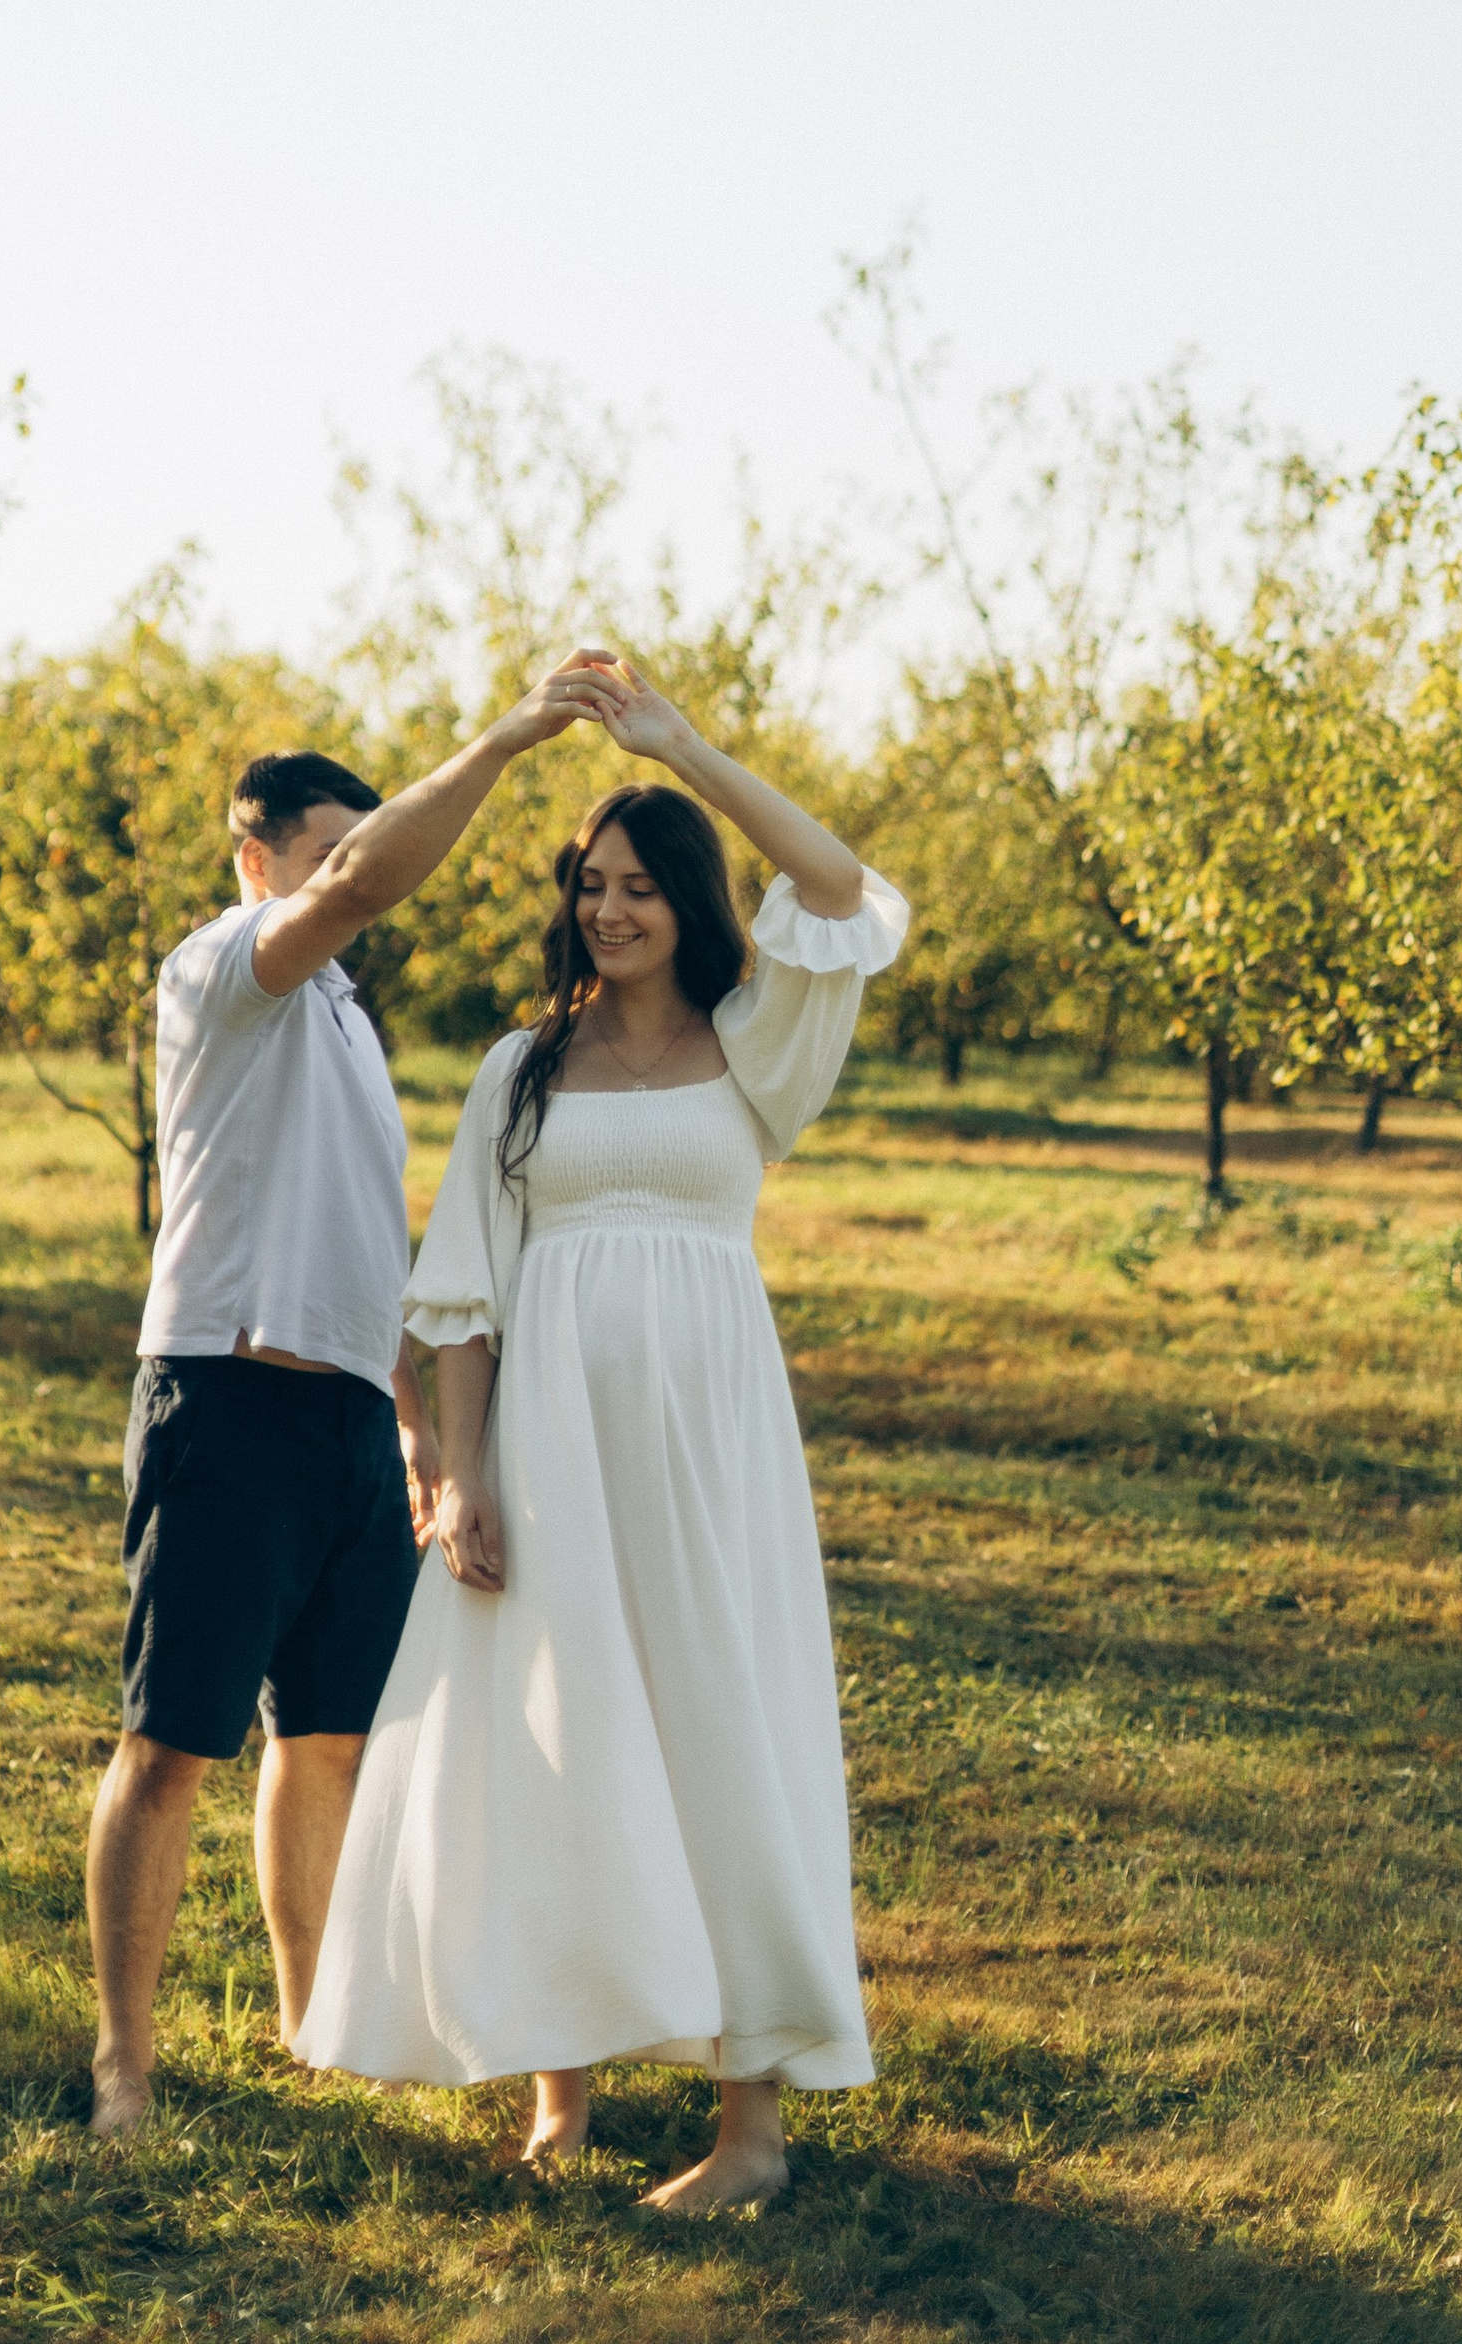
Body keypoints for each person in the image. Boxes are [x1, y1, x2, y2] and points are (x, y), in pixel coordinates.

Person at [292, 656, 908, 2216]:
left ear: (690, 901)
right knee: (556, 1731)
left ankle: (750, 2124)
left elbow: (838, 887)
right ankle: (560, 2096)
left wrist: (680, 747)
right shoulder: (523, 1069)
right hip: (552, 1442)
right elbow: (464, 1300)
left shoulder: (758, 1042)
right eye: (593, 886)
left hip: (708, 1448)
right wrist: (466, 1472)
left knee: (719, 1722)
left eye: (640, 885)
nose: (613, 910)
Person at [87, 664, 608, 2140]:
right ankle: (124, 2063)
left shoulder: (345, 1026)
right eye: (323, 856)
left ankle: (309, 2021)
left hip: (341, 1433)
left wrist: (417, 1424)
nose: (346, 885)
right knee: (171, 1738)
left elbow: (367, 1239)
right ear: (257, 860)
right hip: (226, 1401)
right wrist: (508, 736)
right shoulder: (227, 967)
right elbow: (367, 886)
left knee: (326, 1743)